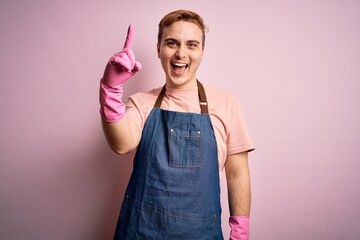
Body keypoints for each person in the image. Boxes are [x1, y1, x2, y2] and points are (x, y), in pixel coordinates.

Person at [99, 9, 255, 240]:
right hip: (140, 231)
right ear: (159, 49)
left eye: (191, 44)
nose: (181, 53)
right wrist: (110, 90)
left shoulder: (226, 104)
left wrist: (240, 234)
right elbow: (121, 144)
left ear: (202, 51)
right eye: (172, 43)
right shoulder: (142, 103)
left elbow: (237, 174)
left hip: (201, 233)